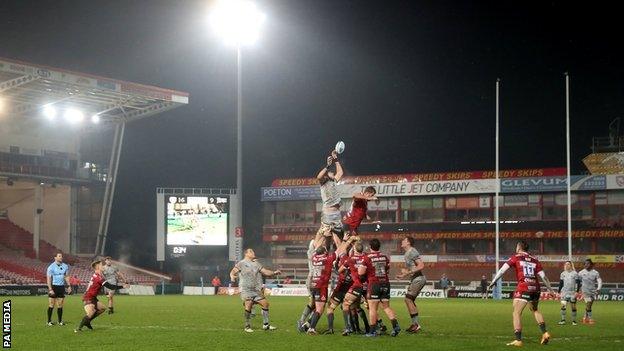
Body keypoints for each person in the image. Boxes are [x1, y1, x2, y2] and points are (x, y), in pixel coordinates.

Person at [488, 241, 555, 347]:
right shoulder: (535, 260)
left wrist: (493, 281)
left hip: (524, 287)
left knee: (516, 313)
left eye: (516, 246)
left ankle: (518, 340)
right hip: (536, 288)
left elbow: (502, 270)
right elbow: (544, 277)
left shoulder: (515, 257)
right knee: (535, 310)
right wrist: (551, 290)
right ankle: (545, 333)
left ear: (519, 247)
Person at [306, 235, 355, 335]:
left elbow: (317, 247)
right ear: (324, 252)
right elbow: (340, 250)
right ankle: (311, 328)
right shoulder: (327, 259)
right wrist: (345, 239)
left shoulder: (314, 258)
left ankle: (308, 325)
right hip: (321, 287)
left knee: (318, 307)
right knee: (320, 309)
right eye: (325, 250)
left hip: (313, 285)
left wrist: (324, 235)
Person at [230, 248, 281, 332]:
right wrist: (232, 276)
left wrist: (274, 272)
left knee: (265, 304)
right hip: (246, 289)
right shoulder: (241, 263)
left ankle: (266, 325)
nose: (253, 252)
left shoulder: (256, 264)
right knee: (248, 305)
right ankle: (247, 326)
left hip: (255, 289)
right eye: (251, 251)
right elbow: (232, 271)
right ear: (246, 254)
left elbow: (265, 272)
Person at [75, 260, 128, 332]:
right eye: (101, 265)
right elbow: (111, 287)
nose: (103, 266)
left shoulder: (97, 275)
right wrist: (123, 286)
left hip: (93, 297)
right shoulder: (98, 277)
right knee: (91, 313)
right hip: (88, 297)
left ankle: (87, 322)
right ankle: (78, 329)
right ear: (97, 267)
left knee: (102, 308)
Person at [363, 239, 401, 337]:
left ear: (370, 246)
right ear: (379, 247)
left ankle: (372, 332)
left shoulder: (367, 258)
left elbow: (361, 272)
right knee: (386, 307)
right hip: (385, 283)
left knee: (372, 309)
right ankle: (396, 326)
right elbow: (387, 268)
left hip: (374, 284)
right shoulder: (384, 257)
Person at [396, 237, 426, 333]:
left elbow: (421, 266)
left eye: (404, 240)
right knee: (410, 300)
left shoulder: (412, 251)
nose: (402, 241)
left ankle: (415, 325)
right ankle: (415, 324)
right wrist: (404, 274)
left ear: (408, 242)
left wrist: (406, 273)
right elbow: (413, 269)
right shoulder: (407, 253)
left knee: (408, 299)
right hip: (415, 279)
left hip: (418, 279)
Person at [316, 150, 344, 246]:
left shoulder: (334, 181)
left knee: (338, 239)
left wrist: (336, 159)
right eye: (331, 172)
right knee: (326, 238)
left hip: (336, 214)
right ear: (328, 175)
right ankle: (318, 253)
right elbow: (319, 176)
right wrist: (327, 166)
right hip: (328, 214)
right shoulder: (323, 183)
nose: (333, 173)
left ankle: (338, 258)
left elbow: (340, 172)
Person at [46, 252, 71, 326]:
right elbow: (49, 279)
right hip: (54, 286)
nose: (61, 257)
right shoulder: (51, 267)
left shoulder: (65, 266)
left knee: (60, 305)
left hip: (61, 287)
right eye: (59, 256)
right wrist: (50, 289)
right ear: (55, 258)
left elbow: (66, 276)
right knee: (51, 304)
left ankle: (60, 321)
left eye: (61, 256)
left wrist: (69, 286)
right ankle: (49, 321)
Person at [578, 258, 602, 324]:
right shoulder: (581, 273)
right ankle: (590, 319)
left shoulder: (595, 272)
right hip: (585, 291)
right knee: (588, 304)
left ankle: (584, 317)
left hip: (593, 291)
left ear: (591, 264)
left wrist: (598, 288)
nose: (586, 265)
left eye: (588, 263)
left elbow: (599, 280)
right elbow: (578, 281)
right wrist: (578, 289)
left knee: (589, 305)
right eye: (585, 264)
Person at [558, 261, 580, 325]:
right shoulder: (563, 273)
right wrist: (559, 292)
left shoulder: (575, 273)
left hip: (572, 293)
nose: (567, 265)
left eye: (568, 264)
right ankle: (563, 320)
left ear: (571, 265)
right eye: (566, 264)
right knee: (563, 306)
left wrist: (577, 292)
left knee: (573, 307)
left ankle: (574, 321)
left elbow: (578, 283)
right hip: (564, 292)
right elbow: (561, 283)